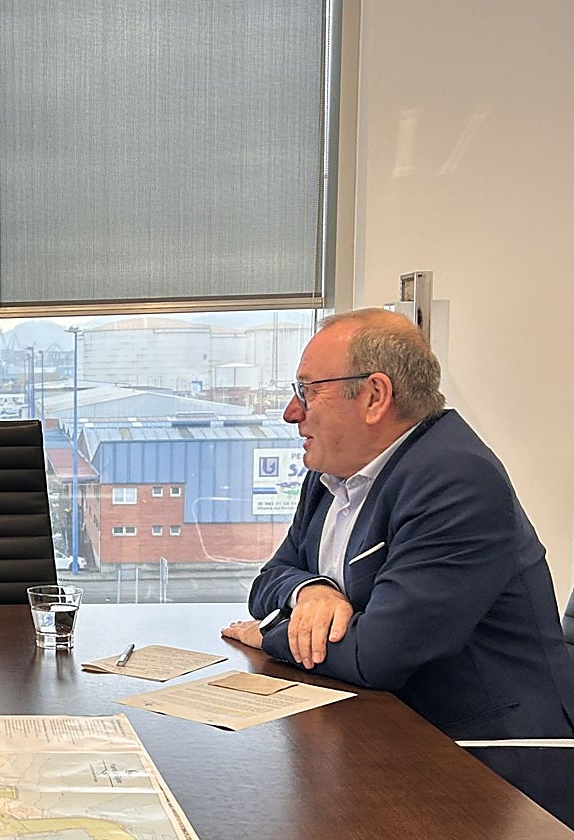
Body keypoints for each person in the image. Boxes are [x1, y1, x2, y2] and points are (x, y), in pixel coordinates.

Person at [222, 307, 574, 826]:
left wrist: (269, 632)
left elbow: (378, 655)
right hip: (392, 731)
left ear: (373, 397)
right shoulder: (333, 473)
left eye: (307, 390)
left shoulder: (454, 479)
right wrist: (312, 592)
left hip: (489, 764)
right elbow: (269, 580)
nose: (291, 413)